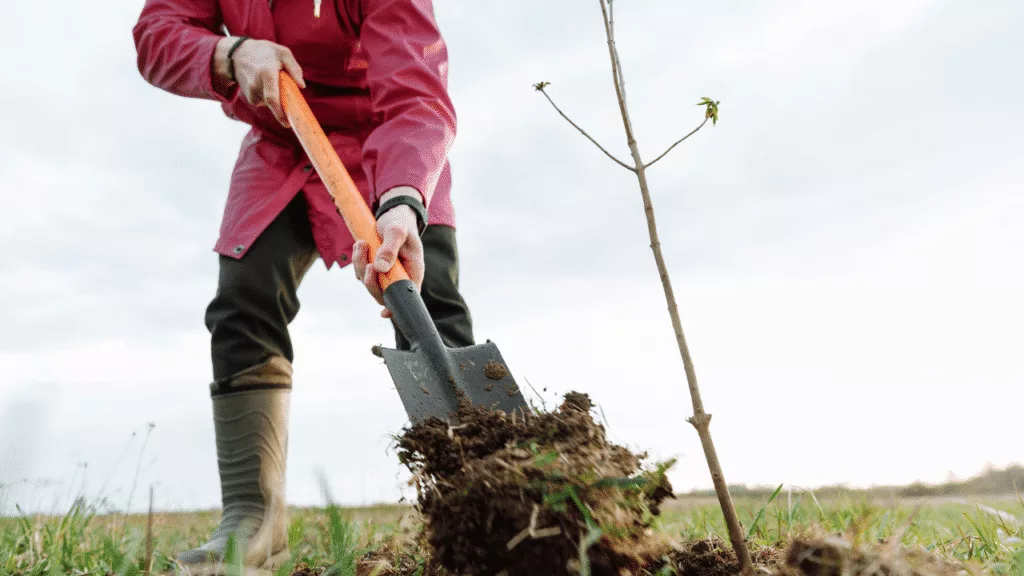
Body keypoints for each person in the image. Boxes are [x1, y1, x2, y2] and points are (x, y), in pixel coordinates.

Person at [132, 0, 473, 572]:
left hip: (388, 145)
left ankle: (472, 505)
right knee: (243, 302)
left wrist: (403, 200)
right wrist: (228, 51)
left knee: (429, 305)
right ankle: (252, 522)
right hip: (282, 142)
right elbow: (157, 33)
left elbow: (416, 96)